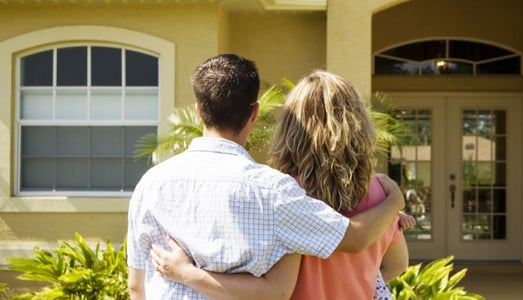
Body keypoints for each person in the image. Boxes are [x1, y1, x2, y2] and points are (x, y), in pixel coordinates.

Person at [126, 54, 404, 300]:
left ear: (199, 111)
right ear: (254, 113)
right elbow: (366, 249)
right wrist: (394, 201)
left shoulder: (150, 183)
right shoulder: (272, 190)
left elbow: (137, 288)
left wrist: (186, 273)